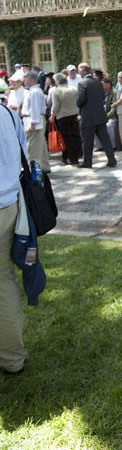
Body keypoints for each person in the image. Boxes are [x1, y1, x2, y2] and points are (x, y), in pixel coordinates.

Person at [0, 104, 28, 374]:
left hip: (8, 203)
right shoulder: (6, 113)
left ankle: (11, 358)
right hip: (9, 205)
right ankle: (12, 358)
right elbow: (23, 155)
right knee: (4, 280)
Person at [76, 63, 117, 169]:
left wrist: (79, 105)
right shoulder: (98, 82)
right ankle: (112, 159)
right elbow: (103, 97)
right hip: (100, 115)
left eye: (79, 70)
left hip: (88, 117)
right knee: (105, 139)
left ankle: (87, 162)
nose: (78, 72)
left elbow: (80, 100)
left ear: (82, 72)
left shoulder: (82, 83)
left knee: (87, 141)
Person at [21, 70, 50, 173]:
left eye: (26, 78)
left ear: (31, 79)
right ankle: (44, 167)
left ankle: (35, 172)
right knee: (40, 146)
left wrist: (33, 124)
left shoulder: (34, 92)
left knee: (33, 149)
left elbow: (35, 108)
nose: (24, 80)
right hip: (35, 119)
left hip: (33, 120)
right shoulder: (35, 91)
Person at [50, 73, 81, 165]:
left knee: (67, 138)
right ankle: (77, 154)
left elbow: (55, 106)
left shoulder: (56, 91)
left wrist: (52, 115)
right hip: (74, 114)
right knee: (75, 135)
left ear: (57, 81)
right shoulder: (73, 89)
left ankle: (72, 157)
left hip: (62, 116)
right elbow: (78, 101)